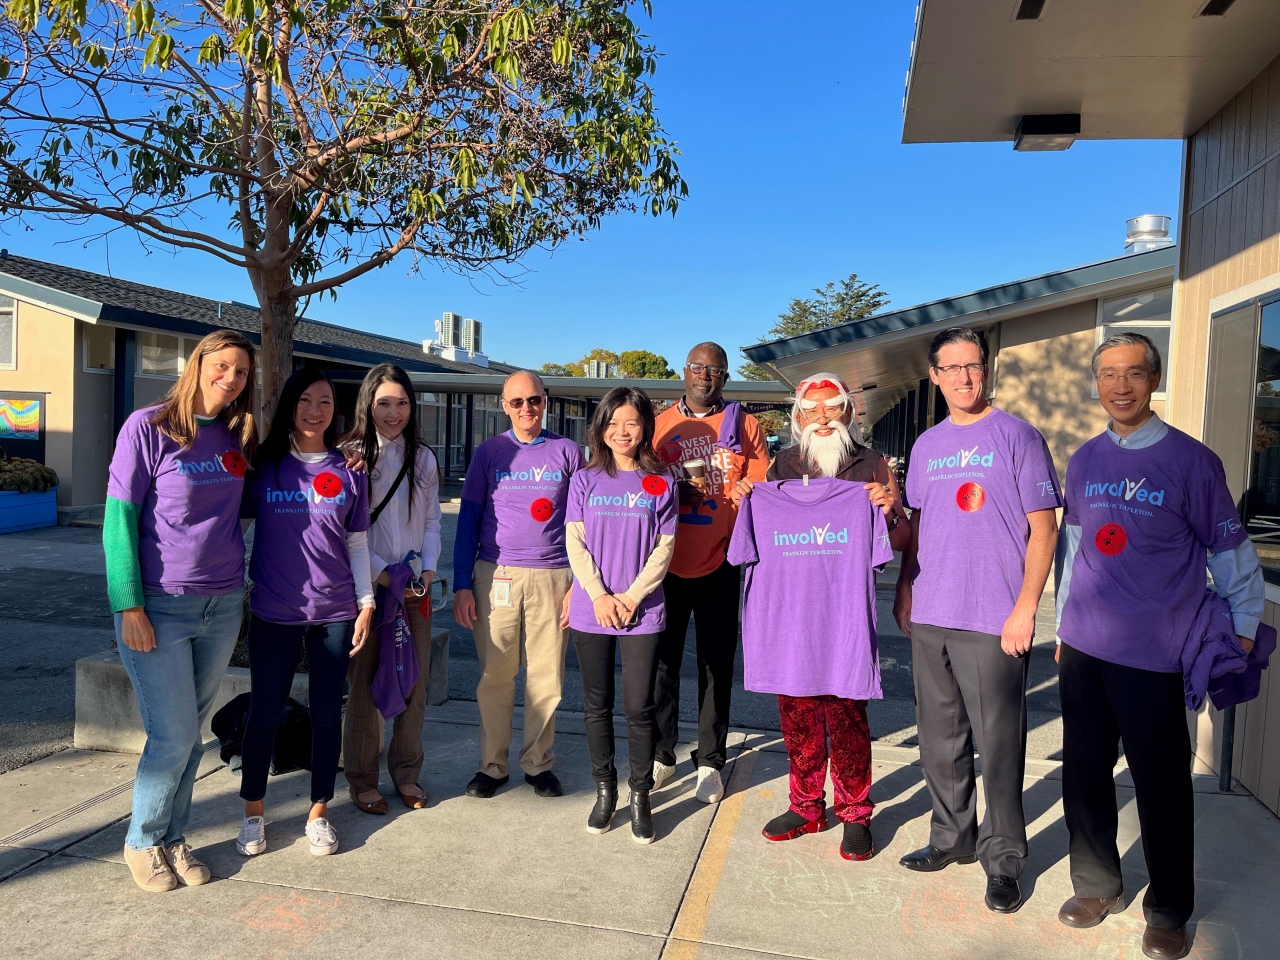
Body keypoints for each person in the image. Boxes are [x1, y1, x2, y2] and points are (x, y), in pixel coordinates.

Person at [1055, 333, 1263, 960]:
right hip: (1085, 646)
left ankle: (1169, 906)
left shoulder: (1192, 462)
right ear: (1096, 384)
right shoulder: (1085, 459)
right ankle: (1096, 884)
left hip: (1155, 651)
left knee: (1162, 783)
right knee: (1086, 773)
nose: (1121, 386)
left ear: (1154, 380)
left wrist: (1245, 622)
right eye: (1109, 374)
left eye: (1135, 374)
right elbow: (1073, 550)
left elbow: (1228, 549)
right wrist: (1063, 624)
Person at [893, 326, 1061, 914]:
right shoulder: (927, 446)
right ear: (934, 377)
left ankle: (1004, 860)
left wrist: (1026, 609)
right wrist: (906, 589)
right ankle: (951, 838)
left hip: (994, 617)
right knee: (940, 741)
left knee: (999, 743)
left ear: (985, 370)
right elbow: (919, 525)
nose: (965, 377)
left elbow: (1044, 529)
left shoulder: (1018, 436)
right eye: (953, 368)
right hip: (933, 610)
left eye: (974, 366)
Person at [104, 330, 257, 892]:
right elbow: (119, 518)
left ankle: (173, 836)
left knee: (189, 735)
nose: (231, 378)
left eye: (241, 371)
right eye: (222, 365)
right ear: (199, 364)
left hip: (222, 604)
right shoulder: (148, 427)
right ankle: (142, 839)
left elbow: (260, 498)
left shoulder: (238, 434)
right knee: (170, 735)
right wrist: (129, 605)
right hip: (161, 606)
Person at [237, 367, 375, 858]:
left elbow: (357, 542)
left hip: (335, 610)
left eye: (325, 403)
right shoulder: (265, 466)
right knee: (264, 714)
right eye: (305, 401)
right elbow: (235, 530)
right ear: (290, 406)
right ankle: (254, 811)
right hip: (275, 609)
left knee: (323, 716)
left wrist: (366, 603)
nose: (315, 412)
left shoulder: (350, 470)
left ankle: (318, 811)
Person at [453, 371, 582, 799]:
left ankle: (538, 763)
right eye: (518, 402)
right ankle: (492, 766)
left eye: (535, 400)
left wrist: (581, 585)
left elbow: (585, 524)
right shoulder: (489, 453)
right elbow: (468, 521)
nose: (527, 409)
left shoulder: (567, 452)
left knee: (547, 678)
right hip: (497, 575)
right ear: (504, 406)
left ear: (545, 401)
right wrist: (462, 584)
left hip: (554, 576)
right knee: (495, 675)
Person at [652, 342, 769, 804]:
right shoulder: (660, 425)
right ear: (685, 372)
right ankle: (663, 754)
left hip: (723, 559)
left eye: (715, 370)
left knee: (715, 665)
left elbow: (763, 488)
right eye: (699, 367)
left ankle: (710, 759)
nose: (706, 375)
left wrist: (747, 488)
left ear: (725, 377)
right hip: (664, 560)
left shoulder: (746, 425)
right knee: (662, 662)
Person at [565, 387, 678, 843]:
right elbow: (575, 541)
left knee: (639, 706)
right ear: (601, 428)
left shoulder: (662, 480)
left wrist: (630, 597)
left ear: (645, 426)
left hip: (641, 610)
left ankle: (640, 794)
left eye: (631, 422)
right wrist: (599, 594)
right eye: (613, 423)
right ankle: (605, 789)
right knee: (597, 706)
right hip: (591, 608)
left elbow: (664, 547)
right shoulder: (585, 479)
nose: (621, 431)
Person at [340, 364, 443, 814]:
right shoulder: (350, 456)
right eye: (384, 402)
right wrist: (384, 577)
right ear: (368, 404)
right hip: (370, 588)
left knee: (414, 685)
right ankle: (361, 778)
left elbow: (433, 522)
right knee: (364, 686)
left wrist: (427, 573)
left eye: (402, 402)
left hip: (414, 589)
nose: (394, 412)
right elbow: (344, 531)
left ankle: (407, 773)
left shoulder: (424, 457)